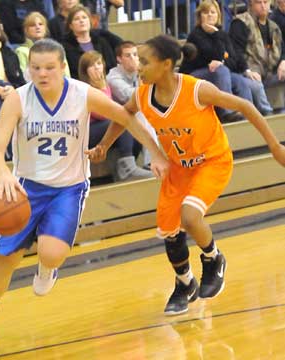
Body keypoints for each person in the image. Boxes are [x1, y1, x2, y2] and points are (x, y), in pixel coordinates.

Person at [0, 38, 168, 345]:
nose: (42, 74)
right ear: (28, 68)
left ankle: (48, 269)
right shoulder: (18, 99)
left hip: (68, 188)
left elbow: (126, 117)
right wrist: (4, 174)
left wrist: (156, 153)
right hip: (26, 187)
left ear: (63, 68)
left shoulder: (83, 94)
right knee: (5, 259)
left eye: (49, 68)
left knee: (51, 253)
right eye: (35, 68)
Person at [87, 34, 285, 316]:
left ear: (166, 64)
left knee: (190, 217)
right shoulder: (142, 95)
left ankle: (213, 259)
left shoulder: (196, 90)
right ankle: (185, 284)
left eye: (144, 61)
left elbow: (246, 106)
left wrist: (275, 145)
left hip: (211, 162)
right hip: (178, 169)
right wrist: (104, 145)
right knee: (171, 235)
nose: (138, 67)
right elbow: (123, 116)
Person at [180, 0, 273, 121]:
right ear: (199, 16)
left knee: (240, 81)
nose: (210, 15)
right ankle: (227, 112)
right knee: (222, 71)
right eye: (206, 12)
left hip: (216, 73)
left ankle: (248, 115)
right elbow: (212, 53)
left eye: (213, 12)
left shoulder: (222, 34)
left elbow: (234, 58)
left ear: (218, 15)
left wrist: (229, 63)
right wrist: (220, 56)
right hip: (195, 75)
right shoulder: (196, 35)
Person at [78, 50, 152, 181]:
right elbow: (101, 113)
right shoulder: (84, 88)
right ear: (85, 70)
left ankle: (129, 165)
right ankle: (127, 169)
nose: (97, 67)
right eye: (92, 65)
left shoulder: (105, 84)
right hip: (86, 132)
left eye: (99, 63)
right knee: (120, 121)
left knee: (130, 125)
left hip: (101, 127)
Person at [229, 0, 285, 93]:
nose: (263, 6)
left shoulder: (274, 26)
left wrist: (283, 61)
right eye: (259, 2)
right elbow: (236, 52)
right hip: (248, 74)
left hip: (270, 73)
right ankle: (266, 108)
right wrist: (247, 71)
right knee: (256, 85)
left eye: (265, 2)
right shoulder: (240, 23)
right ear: (251, 4)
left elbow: (282, 49)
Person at [62, 5, 121, 79]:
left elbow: (111, 65)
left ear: (89, 21)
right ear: (70, 25)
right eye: (76, 19)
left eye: (84, 17)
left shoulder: (101, 41)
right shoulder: (65, 46)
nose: (81, 21)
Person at [16, 11, 70, 81]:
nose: (37, 27)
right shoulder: (22, 51)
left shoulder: (57, 50)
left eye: (40, 24)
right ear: (26, 30)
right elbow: (24, 77)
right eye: (33, 25)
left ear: (45, 28)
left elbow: (66, 74)